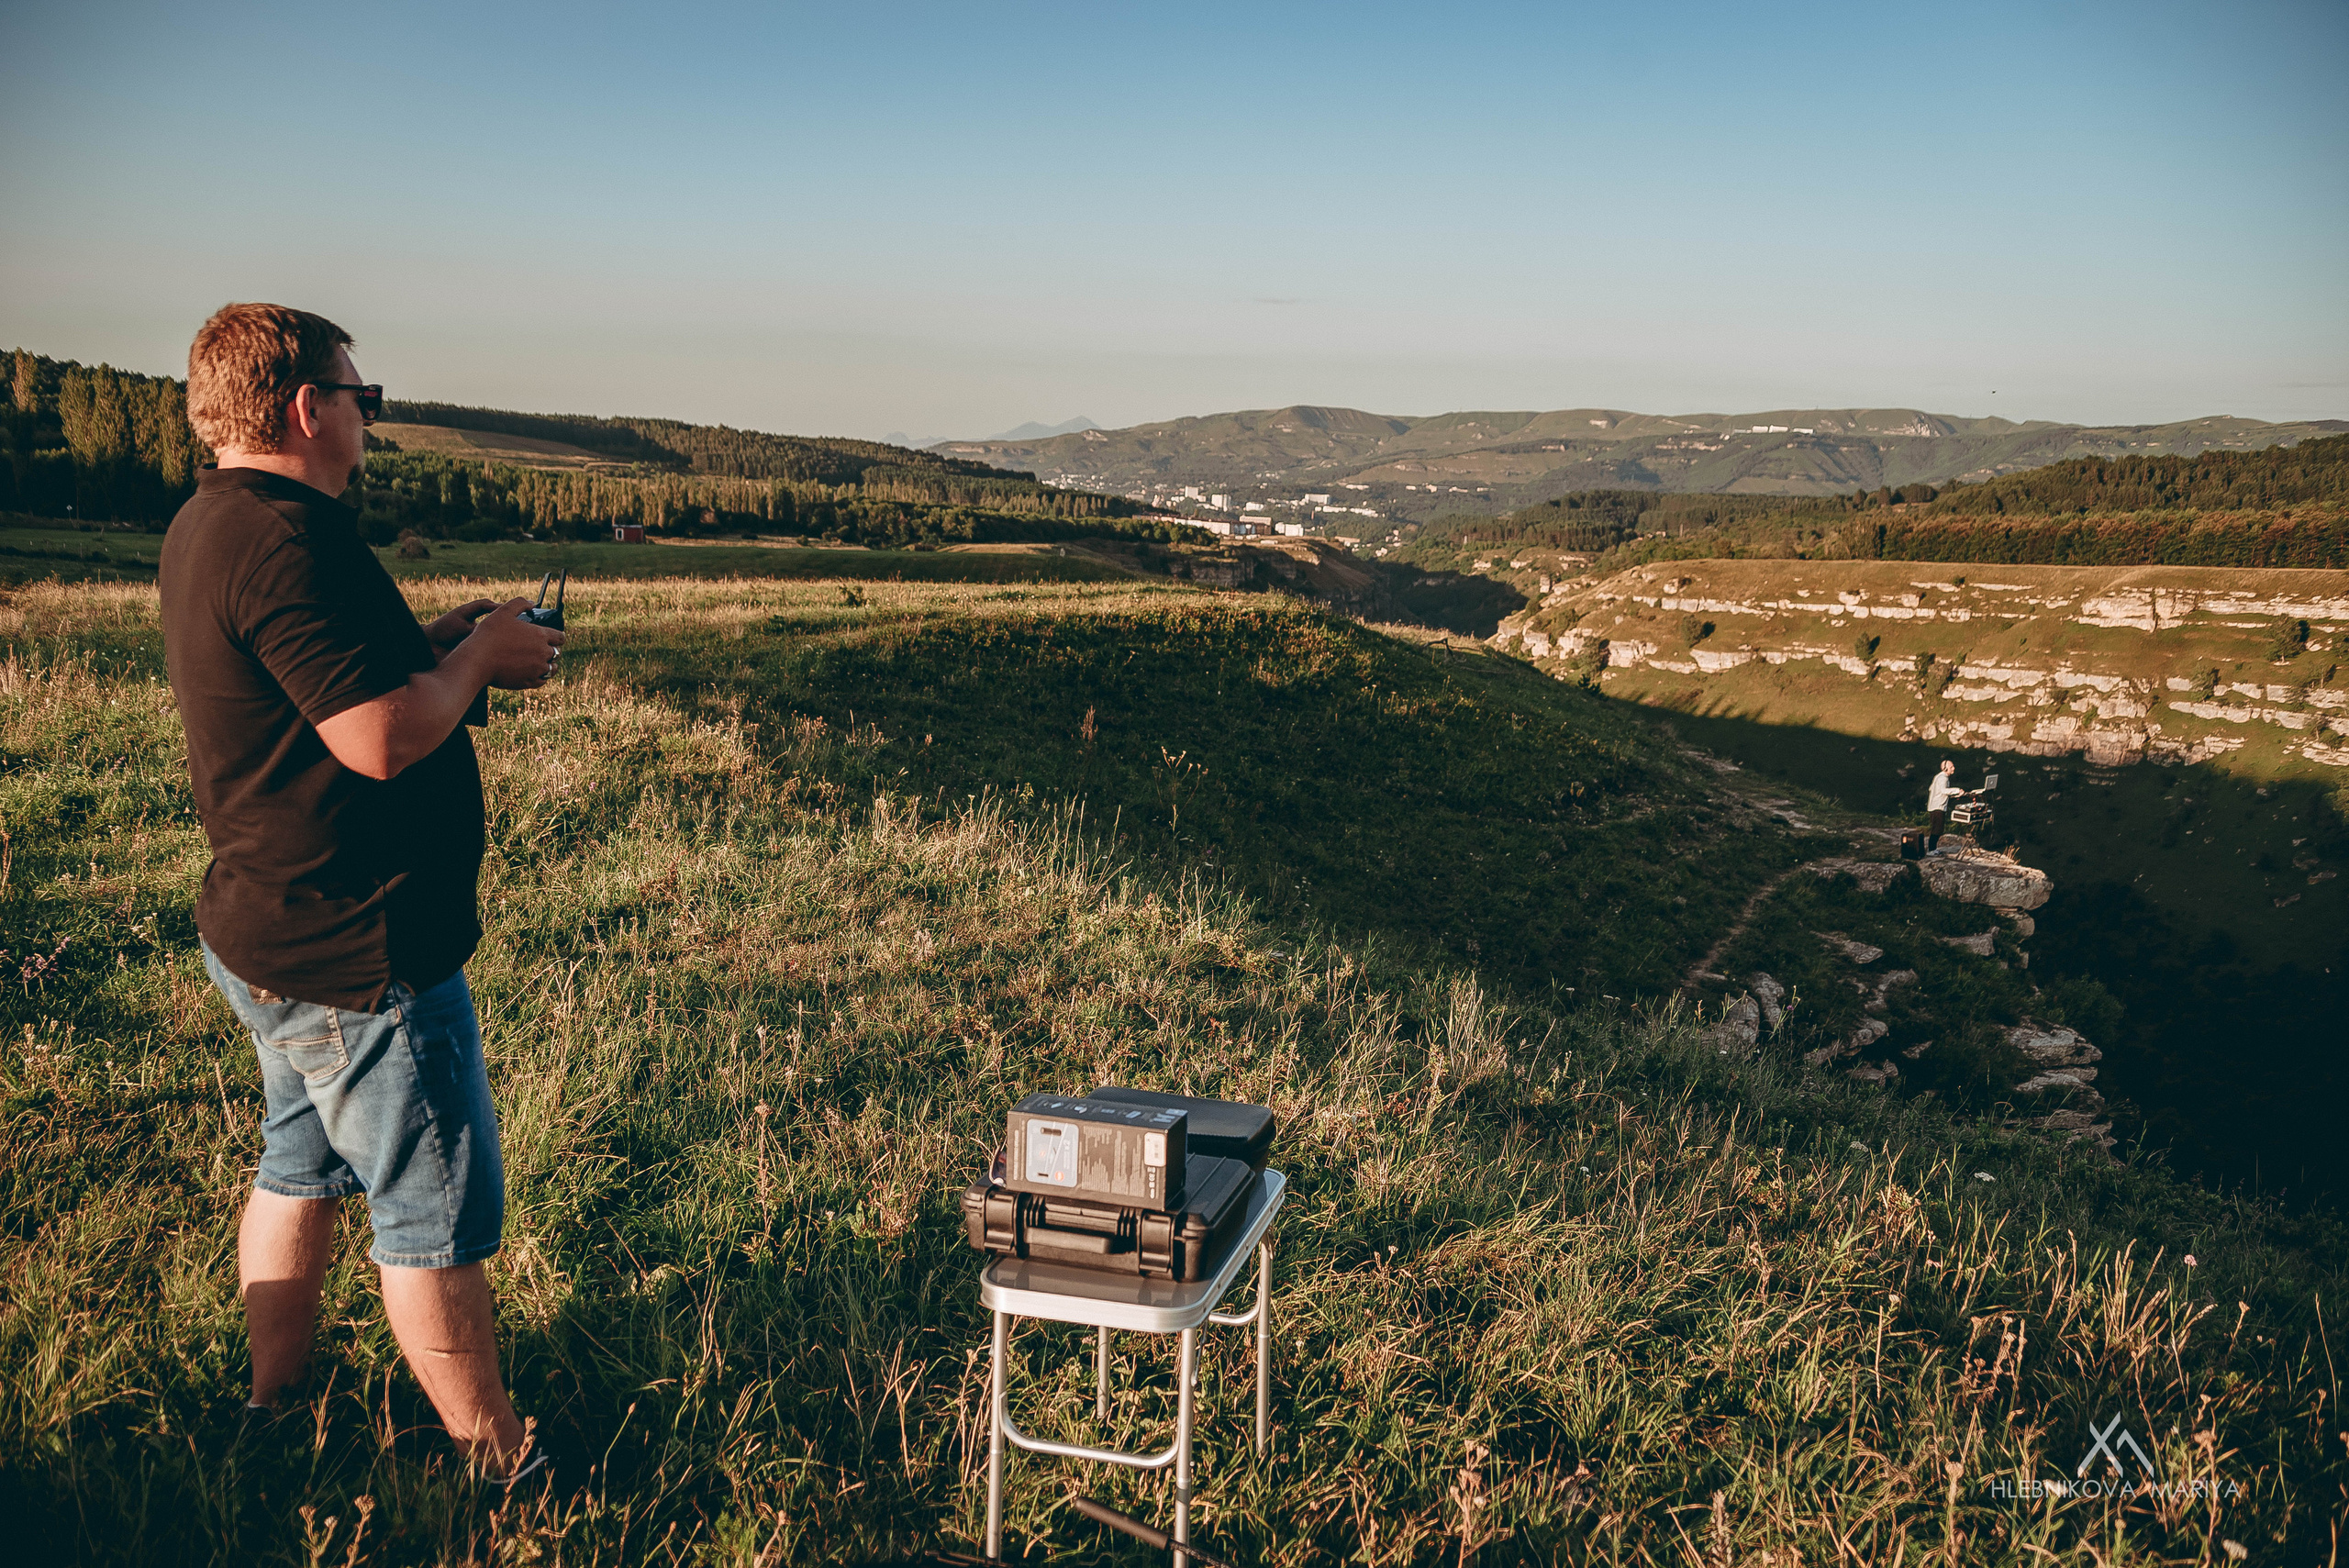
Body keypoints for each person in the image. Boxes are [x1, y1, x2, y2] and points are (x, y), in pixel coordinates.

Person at [159, 303, 563, 1481]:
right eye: (361, 396)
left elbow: (321, 688)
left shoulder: (215, 522)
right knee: (429, 1220)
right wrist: (480, 658)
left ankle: (275, 1404)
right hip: (359, 954)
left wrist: (444, 638)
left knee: (297, 1165)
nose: (365, 419)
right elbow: (381, 737)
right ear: (305, 408)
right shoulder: (289, 541)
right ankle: (501, 1466)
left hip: (271, 929)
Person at [1925, 758, 1959, 854]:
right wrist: (1957, 790)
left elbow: (1931, 788)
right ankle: (1931, 850)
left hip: (1935, 806)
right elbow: (1944, 790)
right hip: (1938, 807)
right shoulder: (1943, 778)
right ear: (1945, 769)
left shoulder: (1938, 777)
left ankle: (1933, 849)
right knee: (1937, 829)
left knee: (1937, 828)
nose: (1953, 768)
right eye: (1951, 767)